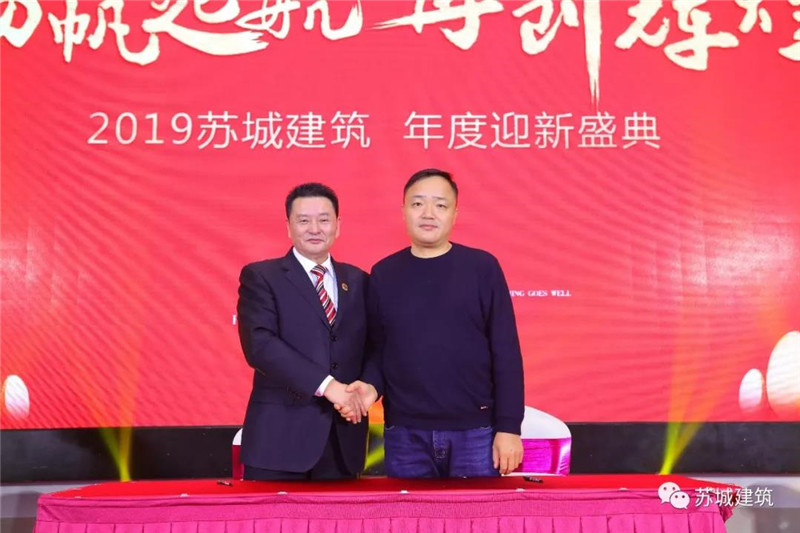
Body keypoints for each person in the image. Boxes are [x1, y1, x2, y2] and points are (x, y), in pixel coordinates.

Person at [344, 168, 524, 478]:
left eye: (440, 205)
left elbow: (506, 352)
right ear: (403, 211)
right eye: (418, 204)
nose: (428, 213)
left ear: (455, 214)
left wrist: (509, 428)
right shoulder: (384, 274)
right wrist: (370, 385)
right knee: (410, 511)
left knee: (478, 511)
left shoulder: (482, 268)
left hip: (475, 433)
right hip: (405, 434)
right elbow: (380, 350)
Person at [237, 182, 371, 480]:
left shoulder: (359, 280)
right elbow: (260, 345)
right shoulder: (261, 276)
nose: (314, 229)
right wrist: (329, 386)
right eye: (303, 220)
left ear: (338, 225)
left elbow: (375, 346)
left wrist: (368, 389)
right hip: (278, 442)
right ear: (288, 227)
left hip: (342, 440)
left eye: (324, 220)